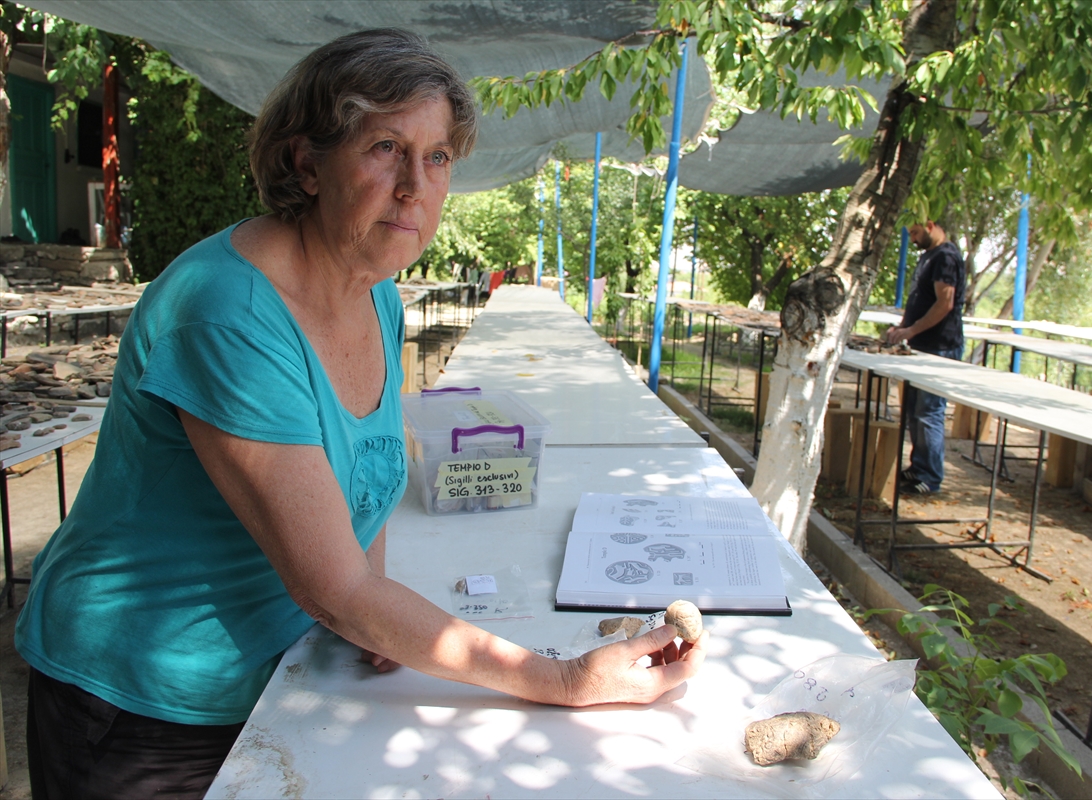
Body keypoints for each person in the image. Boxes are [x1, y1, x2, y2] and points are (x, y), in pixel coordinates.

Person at [15, 29, 706, 799]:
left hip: (278, 670)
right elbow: (334, 589)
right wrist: (566, 680)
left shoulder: (374, 290)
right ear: (305, 163)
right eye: (385, 147)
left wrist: (378, 618)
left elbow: (365, 492)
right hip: (144, 702)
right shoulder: (229, 314)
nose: (415, 185)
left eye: (437, 156)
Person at [885, 219, 966, 495]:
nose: (914, 239)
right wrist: (902, 328)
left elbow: (945, 303)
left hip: (940, 346)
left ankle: (930, 477)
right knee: (913, 409)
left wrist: (911, 330)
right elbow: (921, 301)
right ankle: (919, 467)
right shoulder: (929, 256)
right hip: (920, 344)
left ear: (931, 225)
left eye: (916, 233)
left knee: (929, 411)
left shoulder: (946, 257)